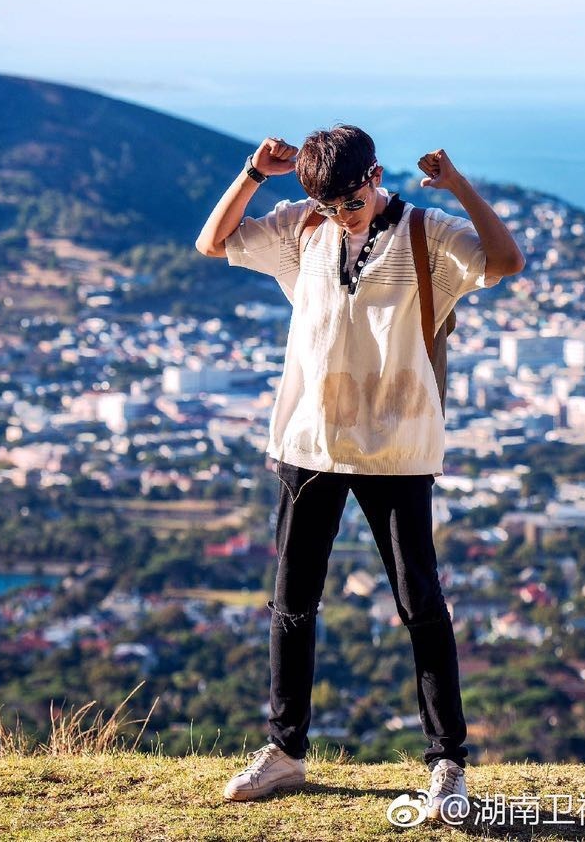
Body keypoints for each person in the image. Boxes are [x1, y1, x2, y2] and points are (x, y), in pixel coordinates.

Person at [194, 125, 524, 818]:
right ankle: (285, 751)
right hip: (309, 441)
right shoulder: (302, 226)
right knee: (293, 601)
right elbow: (212, 242)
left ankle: (447, 764)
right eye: (329, 204)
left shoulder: (427, 233)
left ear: (375, 177)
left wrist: (459, 185)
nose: (341, 215)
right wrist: (254, 174)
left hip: (398, 445)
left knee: (419, 602)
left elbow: (506, 261)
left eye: (350, 201)